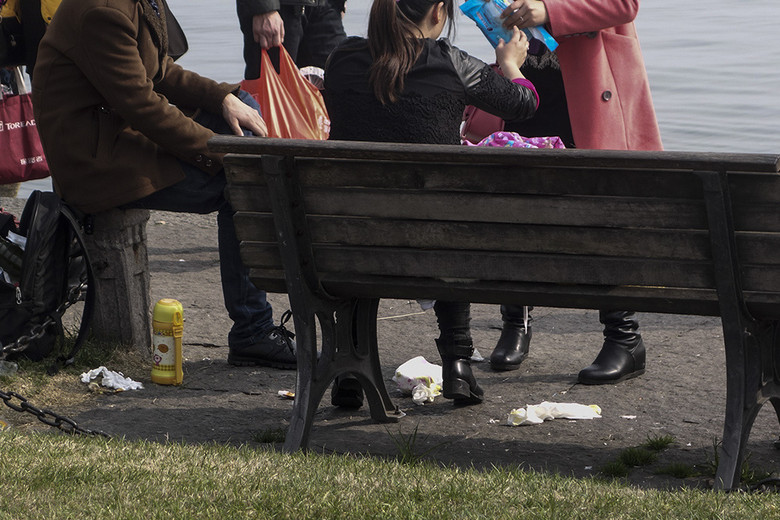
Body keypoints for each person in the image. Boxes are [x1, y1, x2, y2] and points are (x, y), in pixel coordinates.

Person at [31, 0, 297, 370]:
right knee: (239, 184)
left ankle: (253, 329)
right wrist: (223, 154)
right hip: (95, 160)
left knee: (242, 106)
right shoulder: (102, 12)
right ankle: (253, 332)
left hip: (117, 131)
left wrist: (222, 97)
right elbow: (143, 106)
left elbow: (160, 71)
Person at [324, 0, 538, 406]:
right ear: (438, 11)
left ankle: (350, 369)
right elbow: (523, 103)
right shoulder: (452, 63)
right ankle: (457, 364)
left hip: (348, 241)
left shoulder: (341, 59)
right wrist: (510, 63)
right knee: (449, 220)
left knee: (369, 214)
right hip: (436, 243)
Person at [486, 0, 663, 385]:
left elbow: (625, 5)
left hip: (591, 86)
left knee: (603, 215)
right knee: (516, 206)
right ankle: (515, 323)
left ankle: (624, 339)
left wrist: (548, 11)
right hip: (527, 82)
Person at [236, 0, 347, 79]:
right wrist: (264, 7)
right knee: (274, 92)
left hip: (326, 7)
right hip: (278, 10)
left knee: (339, 78)